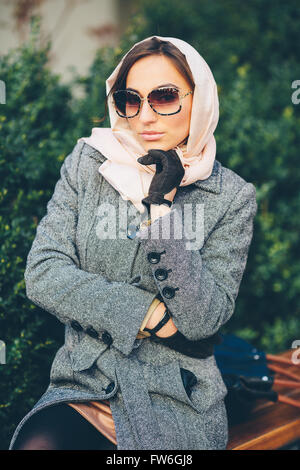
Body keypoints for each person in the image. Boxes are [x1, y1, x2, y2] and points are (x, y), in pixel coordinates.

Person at [9, 35, 257, 450]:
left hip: (176, 397)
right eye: (130, 99)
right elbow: (43, 273)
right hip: (86, 382)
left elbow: (204, 320)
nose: (145, 116)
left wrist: (160, 206)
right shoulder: (89, 163)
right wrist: (149, 314)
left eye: (164, 97)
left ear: (200, 99)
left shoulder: (231, 196)